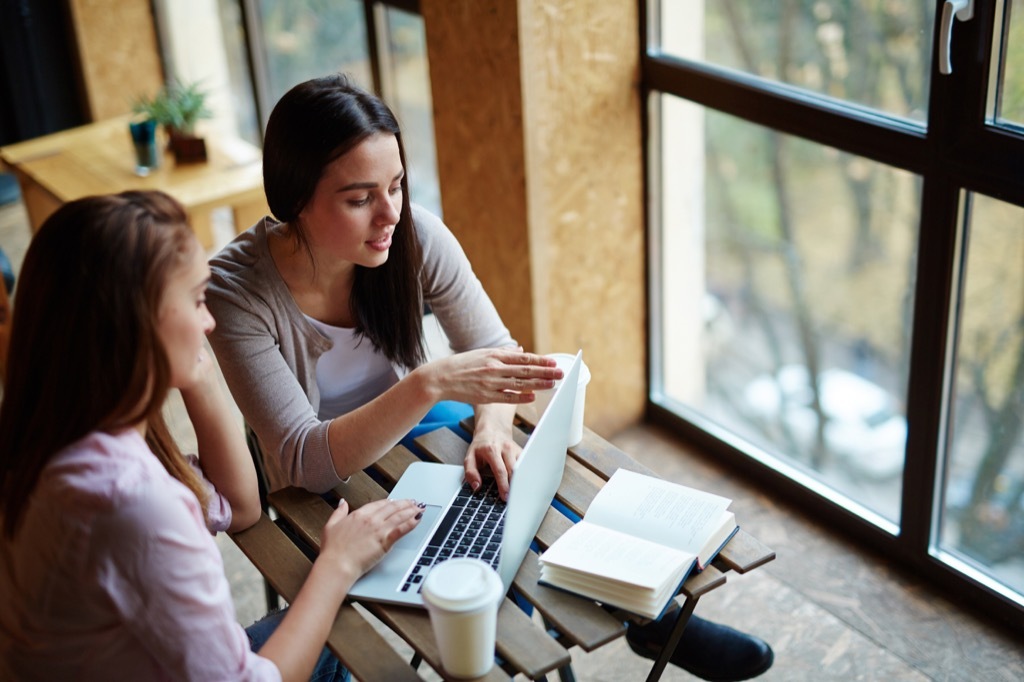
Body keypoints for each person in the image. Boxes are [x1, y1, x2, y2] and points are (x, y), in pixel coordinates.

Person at [206, 74, 773, 681]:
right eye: (359, 198)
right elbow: (303, 460)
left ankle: (643, 609)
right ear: (294, 198)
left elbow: (496, 349)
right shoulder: (236, 292)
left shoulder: (413, 234)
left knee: (514, 487)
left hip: (422, 431)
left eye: (397, 185)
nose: (391, 213)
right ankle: (605, 620)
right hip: (319, 482)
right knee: (499, 535)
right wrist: (429, 384)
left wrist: (492, 430)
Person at [0, 191, 423, 680]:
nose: (209, 321)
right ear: (135, 324)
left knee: (320, 636)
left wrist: (195, 372)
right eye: (197, 299)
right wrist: (337, 565)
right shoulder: (131, 501)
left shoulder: (58, 433)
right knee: (334, 626)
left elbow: (237, 506)